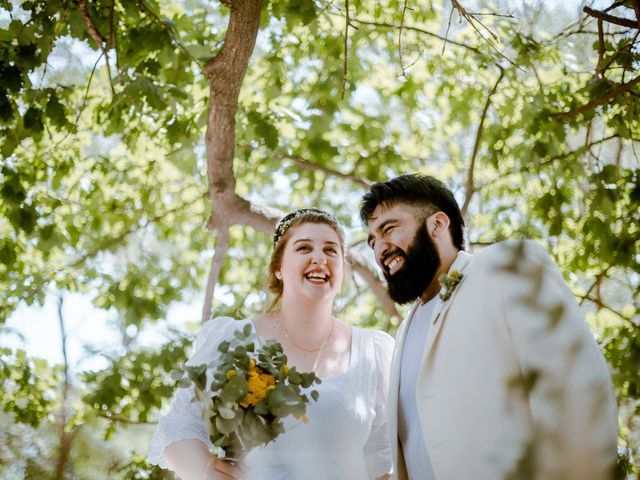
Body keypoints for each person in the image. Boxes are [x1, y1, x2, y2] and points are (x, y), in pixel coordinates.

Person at [359, 174, 618, 480]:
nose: (379, 249)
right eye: (372, 241)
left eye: (389, 229)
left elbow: (578, 393)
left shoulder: (506, 266)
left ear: (438, 225)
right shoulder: (402, 335)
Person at [148, 208, 394, 480]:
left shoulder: (373, 351)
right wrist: (207, 472)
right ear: (278, 268)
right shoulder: (232, 339)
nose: (319, 258)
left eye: (330, 250)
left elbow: (381, 455)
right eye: (304, 248)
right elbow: (179, 428)